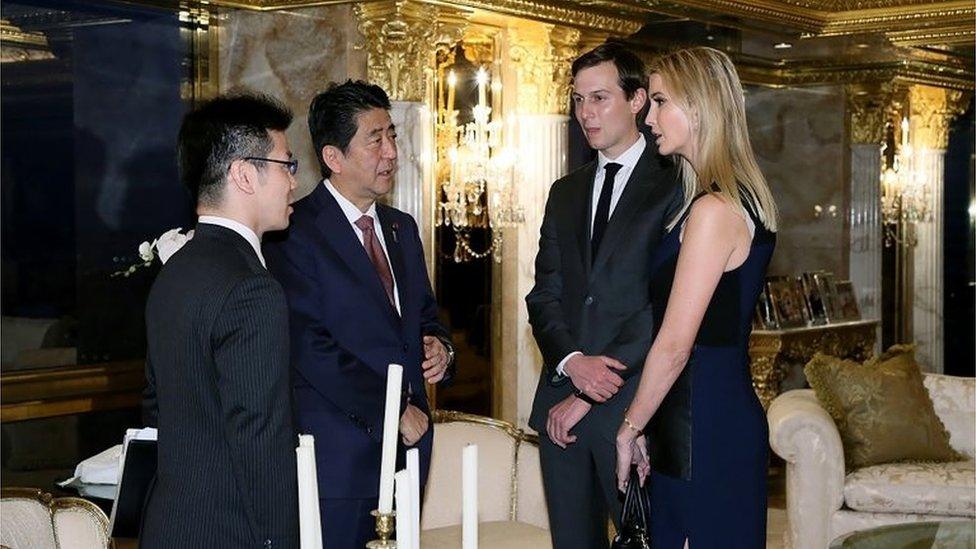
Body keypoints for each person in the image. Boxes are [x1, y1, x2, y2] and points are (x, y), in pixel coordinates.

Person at [264, 80, 455, 549]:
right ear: (333, 157)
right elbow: (309, 345)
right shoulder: (295, 233)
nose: (391, 152)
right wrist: (390, 413)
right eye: (376, 139)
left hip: (408, 448)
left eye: (392, 135)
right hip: (341, 453)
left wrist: (441, 348)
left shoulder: (401, 227)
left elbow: (424, 315)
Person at [614, 46, 779, 548]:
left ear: (700, 105)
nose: (648, 117)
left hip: (704, 431)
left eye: (661, 101)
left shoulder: (713, 211)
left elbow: (675, 345)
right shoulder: (719, 202)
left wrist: (629, 427)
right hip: (699, 421)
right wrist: (651, 429)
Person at [525, 43, 681, 548]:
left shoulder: (676, 183)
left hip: (633, 408)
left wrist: (596, 382)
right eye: (577, 100)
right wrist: (572, 363)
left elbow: (665, 307)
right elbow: (543, 294)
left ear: (638, 100)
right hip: (559, 413)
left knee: (647, 539)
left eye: (599, 98)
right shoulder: (564, 191)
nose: (585, 113)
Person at [141, 93, 299, 548]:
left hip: (171, 526)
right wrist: (279, 541)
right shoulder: (252, 288)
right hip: (232, 534)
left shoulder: (175, 271)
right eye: (286, 165)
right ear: (245, 174)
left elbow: (156, 405)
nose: (293, 182)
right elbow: (260, 435)